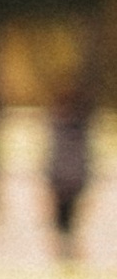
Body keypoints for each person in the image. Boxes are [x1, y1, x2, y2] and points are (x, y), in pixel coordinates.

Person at [46, 77, 95, 262]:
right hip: (66, 179)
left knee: (68, 217)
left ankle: (68, 250)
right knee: (63, 218)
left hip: (69, 179)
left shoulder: (70, 129)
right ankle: (66, 250)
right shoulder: (63, 128)